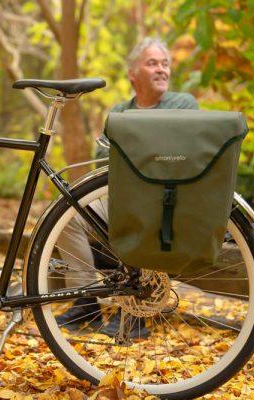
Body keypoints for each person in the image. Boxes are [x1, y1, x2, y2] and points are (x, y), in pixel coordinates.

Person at [55, 37, 199, 338]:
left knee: (144, 208)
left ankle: (136, 309)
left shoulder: (183, 104)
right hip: (120, 195)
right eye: (152, 63)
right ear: (133, 74)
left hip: (165, 200)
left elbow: (180, 154)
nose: (162, 70)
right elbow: (102, 163)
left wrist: (138, 155)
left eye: (165, 64)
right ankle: (85, 301)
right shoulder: (119, 112)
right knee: (67, 214)